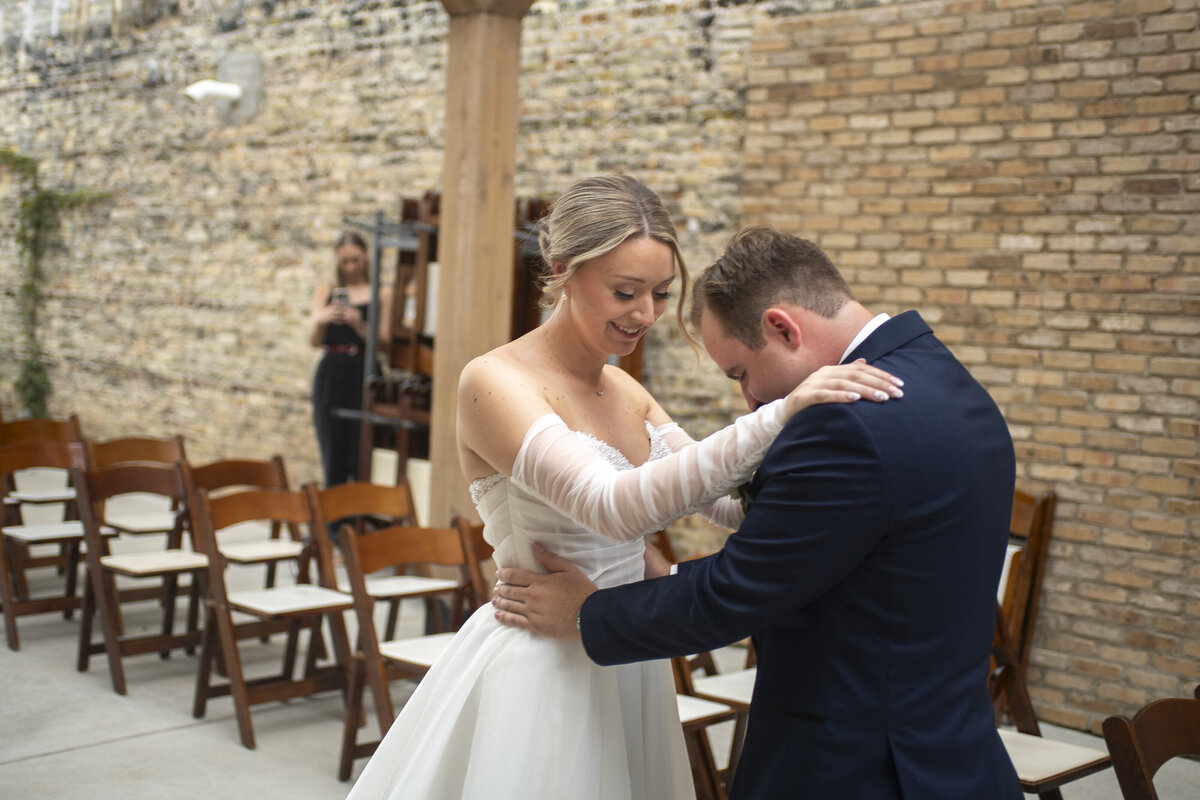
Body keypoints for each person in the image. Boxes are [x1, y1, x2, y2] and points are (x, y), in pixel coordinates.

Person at [344, 177, 902, 800]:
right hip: (541, 664)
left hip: (627, 654)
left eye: (660, 294)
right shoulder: (493, 382)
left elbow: (726, 503)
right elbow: (611, 507)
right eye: (625, 292)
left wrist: (836, 464)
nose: (646, 314)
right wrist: (777, 415)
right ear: (562, 271)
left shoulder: (628, 393)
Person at [493, 225, 1023, 799]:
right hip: (951, 745)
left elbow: (734, 592)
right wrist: (663, 575)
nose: (750, 399)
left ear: (782, 328)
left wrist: (587, 613)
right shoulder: (944, 378)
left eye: (741, 373)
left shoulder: (846, 419)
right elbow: (814, 540)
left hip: (856, 762)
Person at [309, 231, 392, 490]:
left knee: (363, 446)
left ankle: (360, 517)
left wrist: (360, 326)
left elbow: (385, 344)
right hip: (331, 371)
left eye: (355, 260)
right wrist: (321, 318)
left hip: (364, 371)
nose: (350, 267)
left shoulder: (383, 291)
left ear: (366, 255)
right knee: (331, 444)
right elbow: (313, 341)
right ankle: (333, 525)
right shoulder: (326, 290)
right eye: (344, 261)